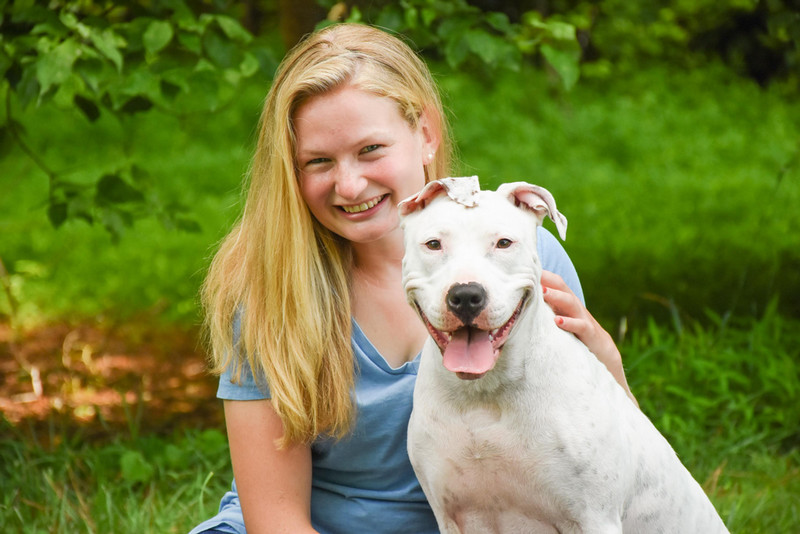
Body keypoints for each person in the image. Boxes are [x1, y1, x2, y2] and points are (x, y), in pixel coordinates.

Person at [190, 22, 635, 534]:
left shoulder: (520, 259)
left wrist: (607, 360)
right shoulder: (274, 290)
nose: (350, 183)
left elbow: (610, 466)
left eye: (371, 149)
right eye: (318, 161)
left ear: (425, 135)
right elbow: (277, 519)